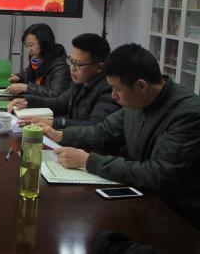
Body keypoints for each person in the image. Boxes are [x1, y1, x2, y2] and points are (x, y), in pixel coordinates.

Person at [39, 44, 200, 229]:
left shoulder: (187, 114)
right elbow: (103, 131)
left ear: (141, 86)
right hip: (143, 199)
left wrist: (88, 161)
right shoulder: (139, 100)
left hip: (178, 218)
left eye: (117, 89)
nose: (113, 96)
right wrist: (60, 135)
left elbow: (158, 174)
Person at [8, 33, 119, 129]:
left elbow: (96, 127)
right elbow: (59, 103)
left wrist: (54, 123)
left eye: (78, 64)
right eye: (71, 61)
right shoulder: (81, 82)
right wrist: (27, 101)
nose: (72, 68)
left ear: (99, 67)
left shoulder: (109, 89)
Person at [6, 23, 71, 97]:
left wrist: (26, 88)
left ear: (44, 43)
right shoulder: (37, 59)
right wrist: (19, 77)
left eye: (31, 45)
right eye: (26, 46)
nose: (28, 50)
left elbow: (56, 93)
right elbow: (29, 73)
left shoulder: (61, 66)